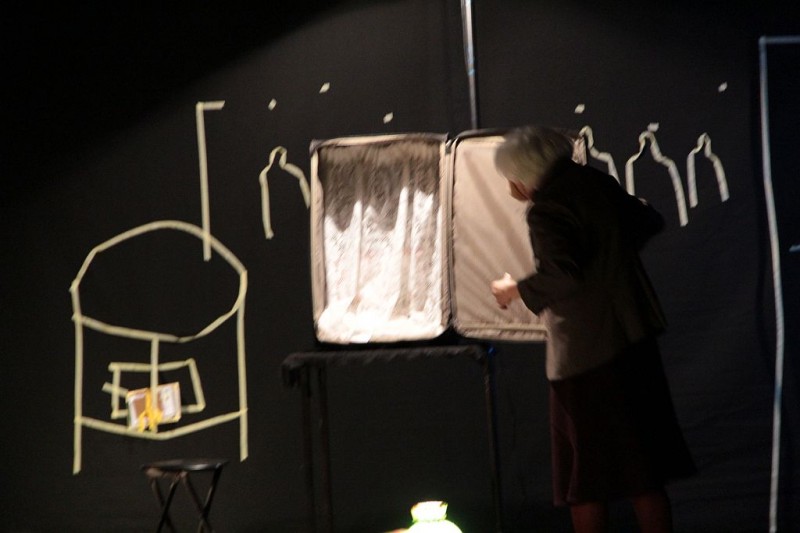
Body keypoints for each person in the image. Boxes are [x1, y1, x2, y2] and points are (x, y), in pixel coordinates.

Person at [490, 125, 696, 533]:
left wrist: (515, 289)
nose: (511, 187)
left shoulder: (547, 209)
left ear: (523, 174)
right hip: (634, 339)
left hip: (586, 356)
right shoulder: (595, 182)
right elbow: (648, 220)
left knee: (583, 482)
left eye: (511, 178)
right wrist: (610, 255)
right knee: (644, 473)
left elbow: (563, 275)